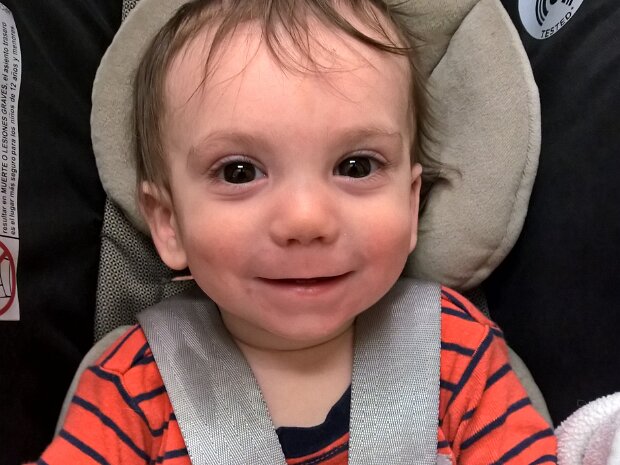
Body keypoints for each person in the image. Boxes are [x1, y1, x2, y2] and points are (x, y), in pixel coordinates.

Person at [32, 0, 557, 463]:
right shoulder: (132, 389)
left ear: (410, 199)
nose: (306, 220)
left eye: (356, 166)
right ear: (168, 223)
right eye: (239, 172)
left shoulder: (455, 353)